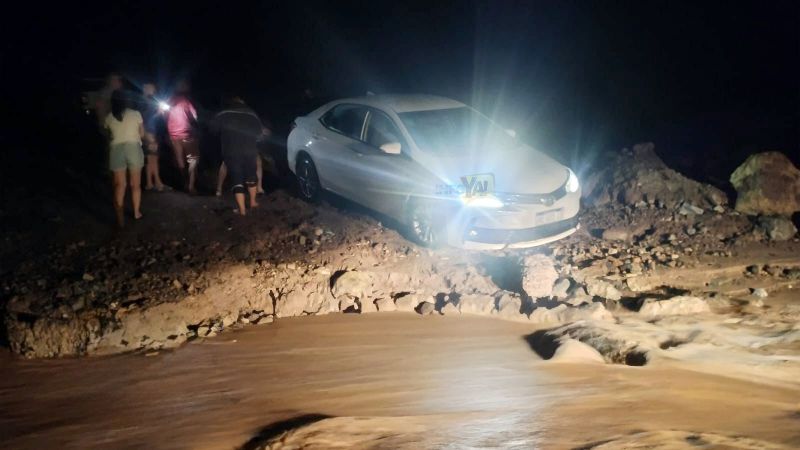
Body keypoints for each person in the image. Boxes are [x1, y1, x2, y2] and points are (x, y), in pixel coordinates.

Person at [211, 93, 265, 215]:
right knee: (251, 176)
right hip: (249, 149)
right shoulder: (251, 113)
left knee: (237, 178)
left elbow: (213, 129)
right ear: (242, 101)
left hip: (231, 150)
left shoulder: (223, 113)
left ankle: (242, 210)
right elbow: (259, 134)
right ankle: (252, 202)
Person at [104, 90, 144, 227]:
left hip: (116, 150)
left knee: (120, 185)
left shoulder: (109, 117)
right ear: (127, 100)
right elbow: (142, 133)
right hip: (133, 148)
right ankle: (136, 212)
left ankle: (120, 216)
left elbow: (109, 135)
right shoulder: (135, 114)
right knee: (135, 185)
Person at [166, 79, 200, 194]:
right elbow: (195, 117)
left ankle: (184, 182)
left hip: (173, 134)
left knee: (180, 160)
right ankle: (190, 185)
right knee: (192, 160)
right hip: (187, 134)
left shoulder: (169, 101)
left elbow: (163, 115)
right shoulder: (187, 101)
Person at [140, 83, 167, 191]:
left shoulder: (147, 101)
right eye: (151, 88)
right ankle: (156, 182)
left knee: (151, 158)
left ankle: (151, 183)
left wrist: (159, 113)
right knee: (153, 158)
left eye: (154, 88)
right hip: (149, 132)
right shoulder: (144, 102)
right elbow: (145, 119)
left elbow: (151, 118)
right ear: (145, 89)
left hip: (151, 132)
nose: (153, 90)